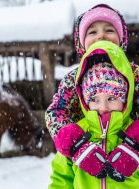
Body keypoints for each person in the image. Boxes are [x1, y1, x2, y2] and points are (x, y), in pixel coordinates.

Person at [45, 3, 139, 154]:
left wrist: (135, 141)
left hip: (129, 153)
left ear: (122, 39)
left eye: (109, 30)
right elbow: (56, 111)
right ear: (81, 43)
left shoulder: (135, 74)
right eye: (92, 32)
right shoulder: (73, 79)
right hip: (87, 152)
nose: (101, 35)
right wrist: (75, 144)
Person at [48, 41, 139, 189]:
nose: (103, 107)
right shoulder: (76, 136)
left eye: (111, 98)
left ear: (125, 98)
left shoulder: (133, 135)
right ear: (84, 101)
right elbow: (61, 180)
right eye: (95, 100)